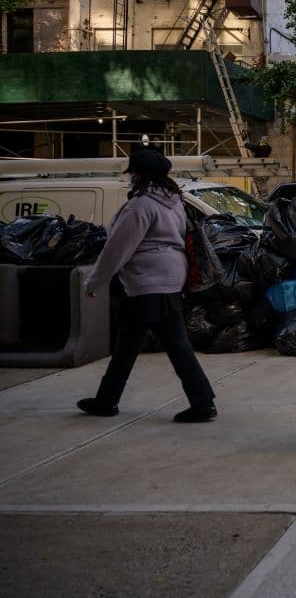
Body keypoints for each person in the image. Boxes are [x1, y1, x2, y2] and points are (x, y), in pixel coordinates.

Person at [76, 148, 217, 423]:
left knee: (137, 345)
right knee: (152, 344)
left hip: (146, 282)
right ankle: (201, 402)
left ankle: (108, 400)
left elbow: (117, 249)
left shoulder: (140, 205)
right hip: (171, 279)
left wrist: (94, 282)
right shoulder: (174, 201)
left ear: (139, 175)